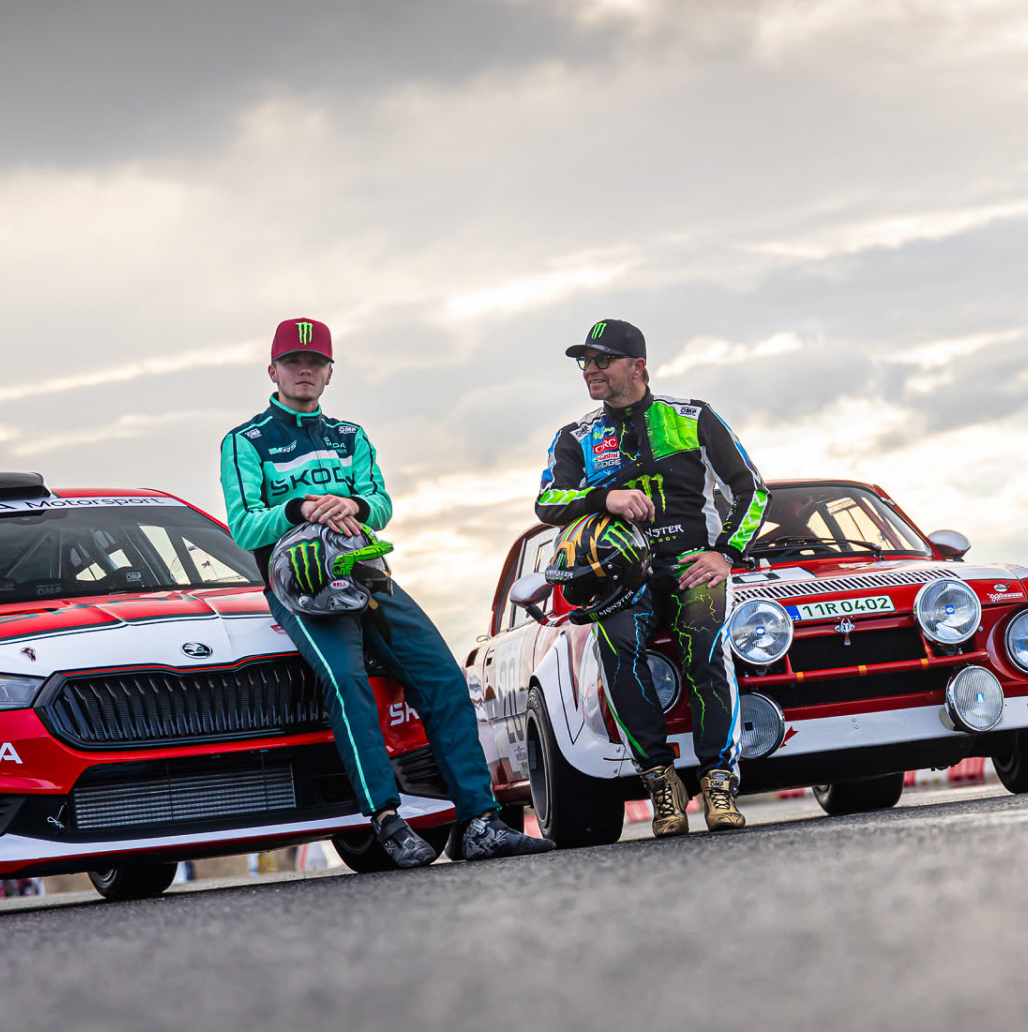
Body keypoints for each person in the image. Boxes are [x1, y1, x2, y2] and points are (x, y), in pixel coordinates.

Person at [220, 317, 553, 867]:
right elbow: (245, 527)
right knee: (347, 682)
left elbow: (381, 504)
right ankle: (385, 821)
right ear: (273, 370)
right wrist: (303, 508)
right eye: (294, 363)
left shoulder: (351, 436)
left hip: (367, 573)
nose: (305, 371)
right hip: (301, 587)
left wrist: (354, 506)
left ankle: (478, 821)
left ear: (329, 373)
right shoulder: (246, 441)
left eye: (316, 363)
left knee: (445, 676)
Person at [535, 318, 769, 837]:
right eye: (584, 362)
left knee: (706, 649)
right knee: (617, 649)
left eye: (601, 360)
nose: (589, 371)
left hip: (692, 564)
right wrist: (604, 498)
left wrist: (726, 554)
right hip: (621, 579)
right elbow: (547, 501)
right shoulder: (576, 437)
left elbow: (752, 490)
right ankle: (661, 781)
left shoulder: (692, 417)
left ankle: (719, 780)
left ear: (636, 366)